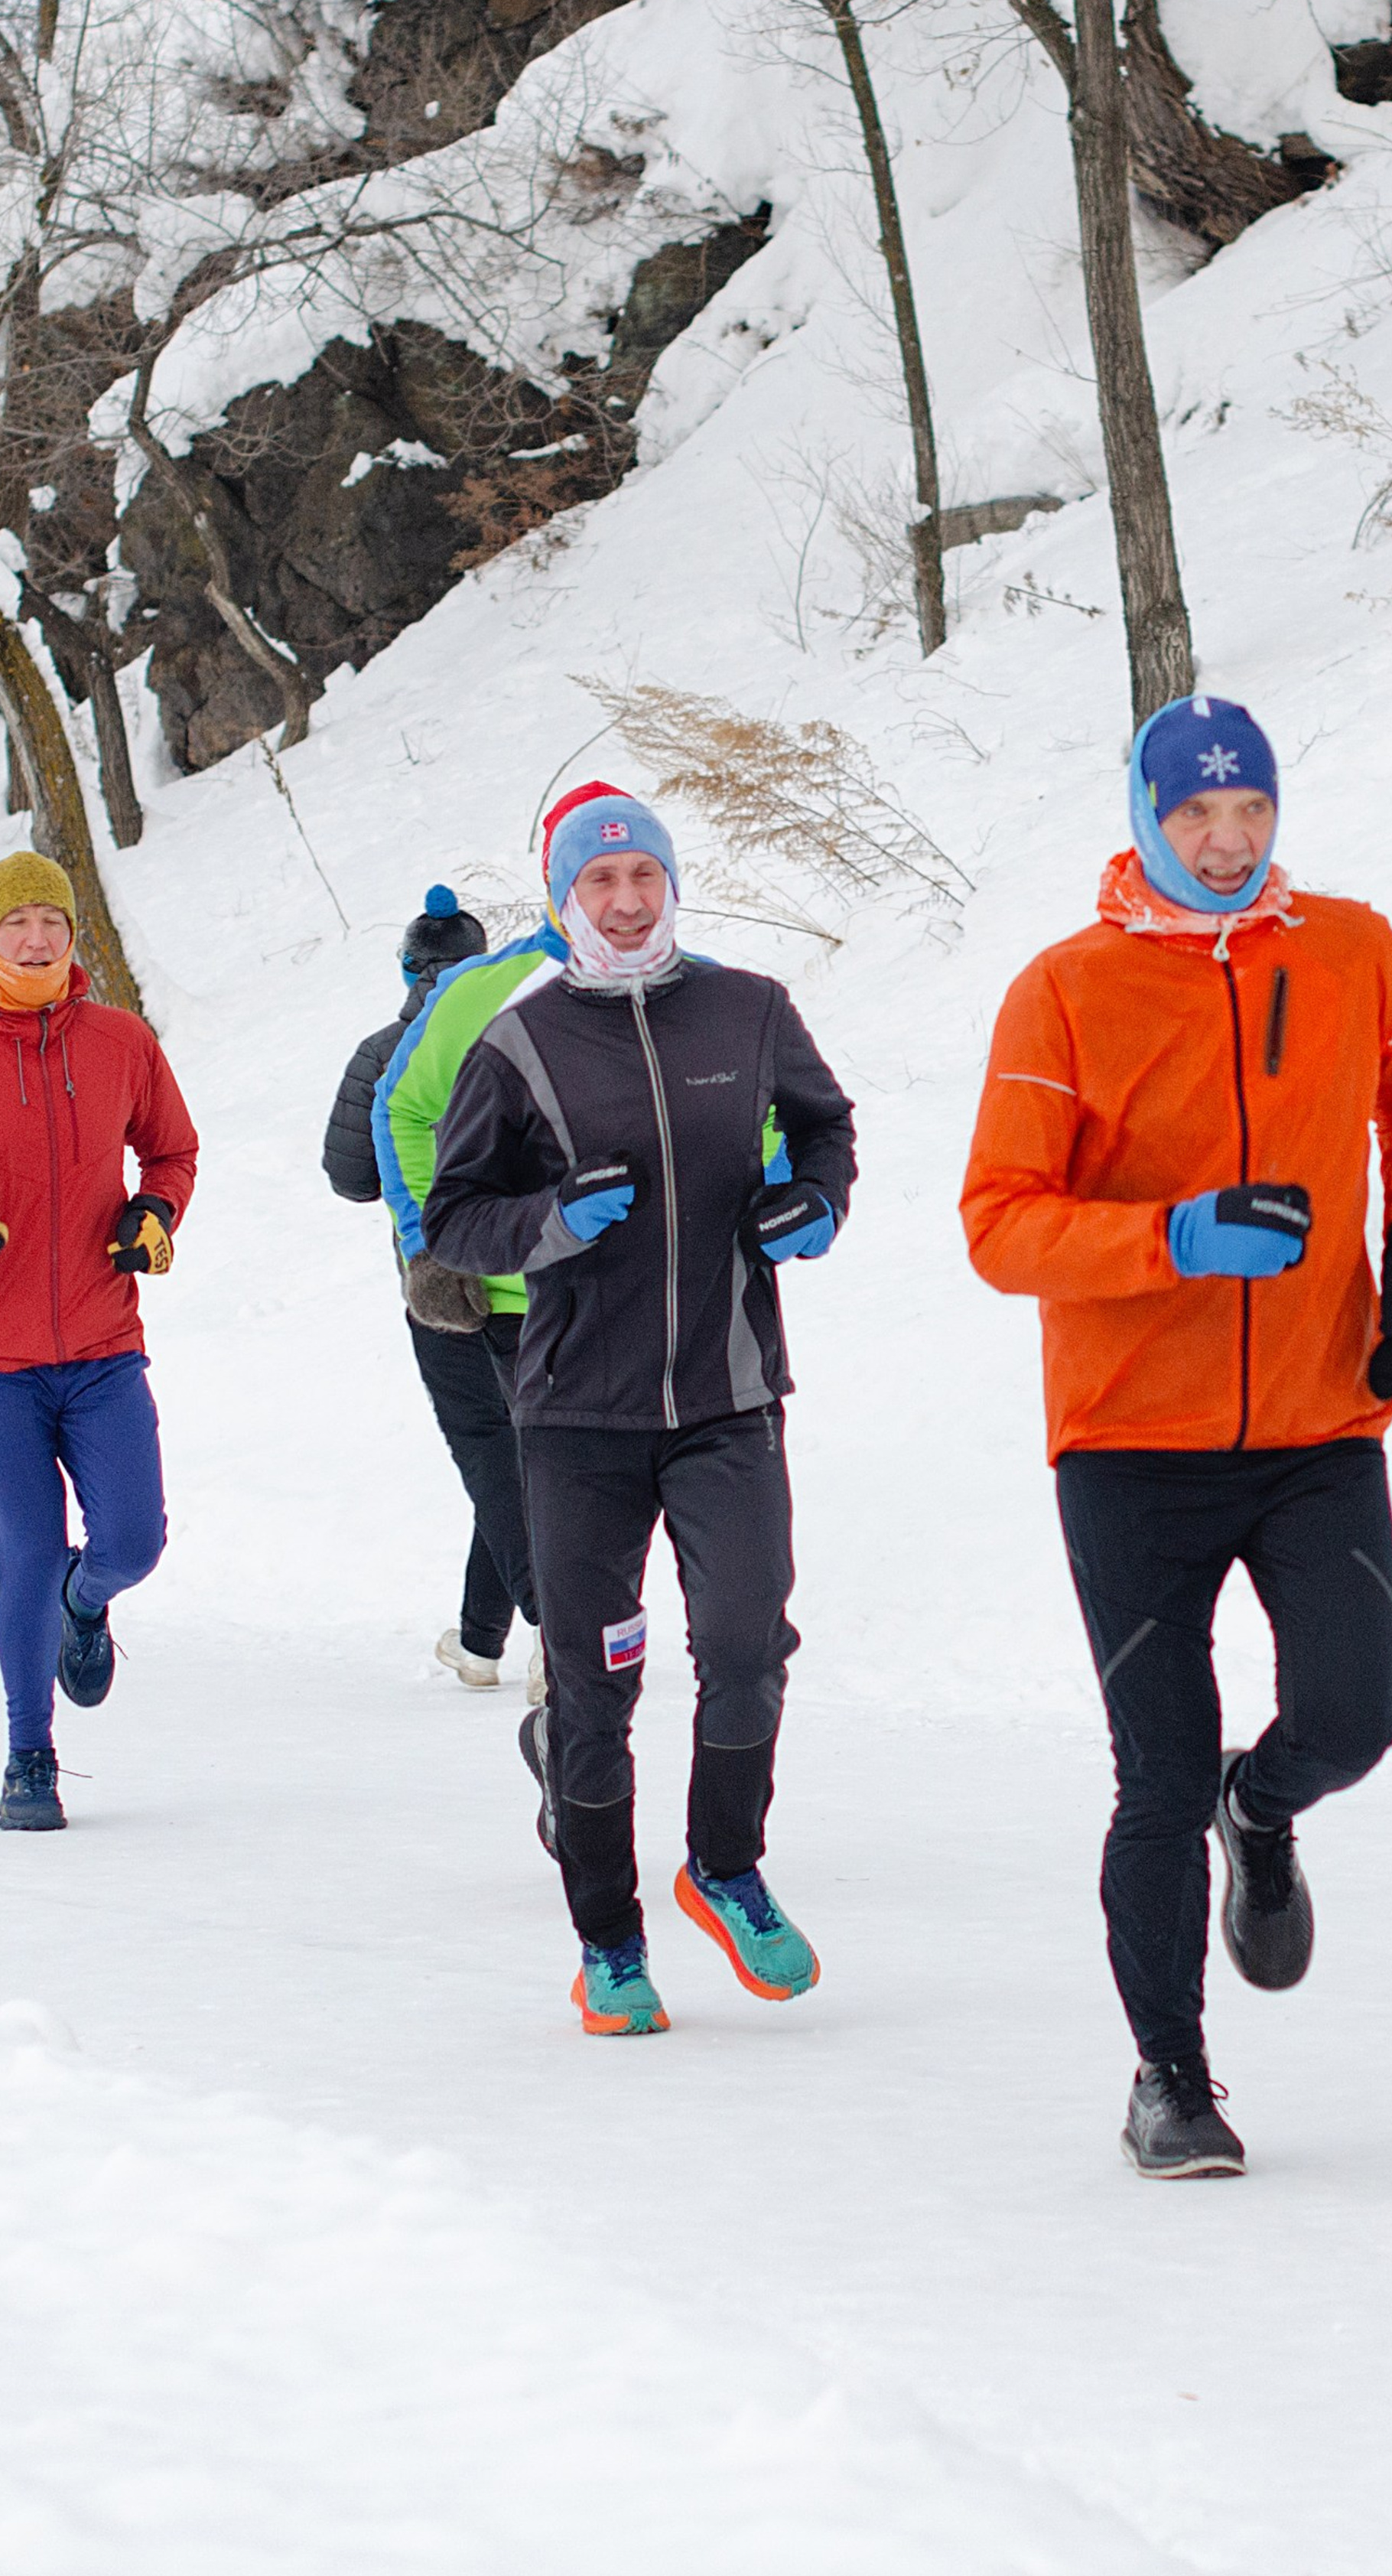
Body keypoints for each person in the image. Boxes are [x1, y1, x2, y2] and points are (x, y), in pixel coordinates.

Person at [961, 696, 1392, 2177]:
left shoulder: (1352, 948)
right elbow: (1002, 1226)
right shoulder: (1064, 992)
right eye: (1198, 814)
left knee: (1354, 1723)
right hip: (1131, 1444)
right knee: (1158, 1775)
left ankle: (1273, 1805)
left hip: (1319, 1419)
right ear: (1145, 819)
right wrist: (1173, 1238)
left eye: (1251, 811)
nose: (1230, 840)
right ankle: (1171, 2078)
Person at [422, 786, 856, 2037]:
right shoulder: (522, 1044)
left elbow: (827, 1133)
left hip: (728, 1397)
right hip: (577, 1418)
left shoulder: (749, 1009)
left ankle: (723, 1865)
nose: (625, 901)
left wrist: (815, 1206)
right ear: (566, 902)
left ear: (670, 886)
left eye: (643, 879)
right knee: (595, 1681)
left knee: (744, 1646)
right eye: (600, 884)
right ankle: (608, 1945)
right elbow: (455, 1218)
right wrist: (549, 1225)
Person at [0, 853, 198, 1834]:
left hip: (104, 1346)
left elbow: (173, 1147)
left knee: (135, 1540)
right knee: (23, 1555)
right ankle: (28, 1756)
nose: (36, 938)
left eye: (52, 920)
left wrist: (156, 1208)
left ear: (73, 935)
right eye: (16, 922)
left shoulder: (120, 1041)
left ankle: (93, 1599)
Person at [324, 884, 544, 1702]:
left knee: (492, 1454)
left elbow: (348, 1176)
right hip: (535, 1273)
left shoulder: (384, 1050)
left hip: (437, 1285)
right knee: (520, 1453)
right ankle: (482, 1641)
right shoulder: (525, 1030)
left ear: (408, 967)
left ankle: (552, 1624)